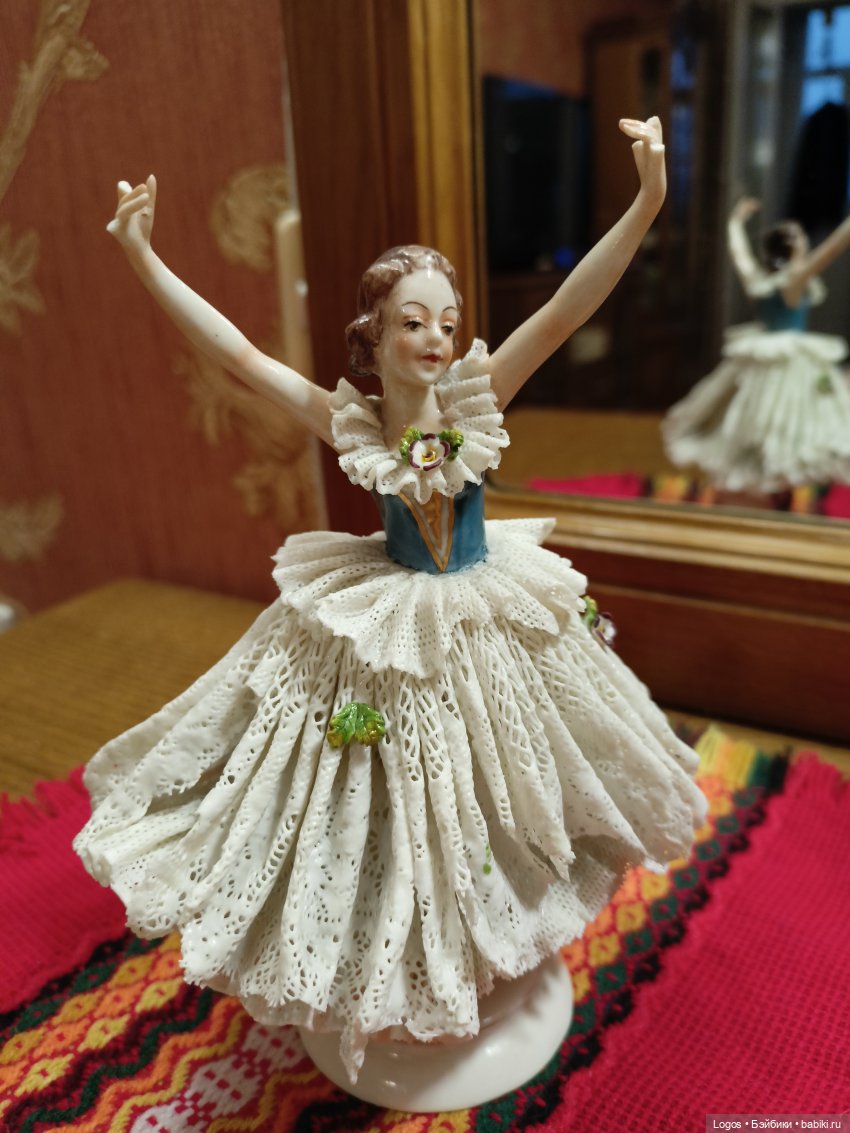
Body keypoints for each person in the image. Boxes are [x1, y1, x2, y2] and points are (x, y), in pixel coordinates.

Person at [75, 117, 705, 1082]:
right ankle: (401, 952)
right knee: (389, 794)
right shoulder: (352, 421)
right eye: (413, 322)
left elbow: (566, 309)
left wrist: (649, 201)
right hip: (392, 617)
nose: (435, 338)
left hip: (484, 607)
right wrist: (144, 257)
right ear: (373, 334)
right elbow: (239, 355)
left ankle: (504, 927)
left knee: (505, 776)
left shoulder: (478, 394)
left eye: (446, 322)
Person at [663, 197, 850, 493]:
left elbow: (739, 254)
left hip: (768, 352)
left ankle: (773, 472)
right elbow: (832, 248)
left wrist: (735, 223)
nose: (804, 240)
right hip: (785, 356)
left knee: (767, 413)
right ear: (794, 247)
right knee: (782, 416)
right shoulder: (794, 280)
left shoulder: (759, 280)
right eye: (799, 237)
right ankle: (777, 475)